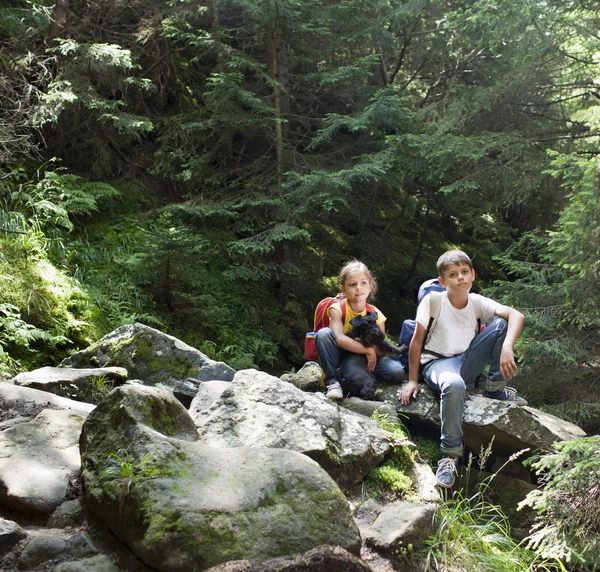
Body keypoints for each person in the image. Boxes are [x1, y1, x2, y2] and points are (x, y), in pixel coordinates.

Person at [399, 249, 527, 488]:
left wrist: (508, 346)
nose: (460, 278)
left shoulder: (477, 302)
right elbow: (416, 343)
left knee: (501, 323)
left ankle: (495, 388)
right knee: (455, 384)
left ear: (472, 274)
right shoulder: (433, 301)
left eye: (464, 272)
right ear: (442, 280)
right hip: (437, 363)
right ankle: (450, 456)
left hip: (466, 360)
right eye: (453, 274)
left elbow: (516, 315)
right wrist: (413, 380)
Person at [316, 260, 405, 400]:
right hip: (341, 355)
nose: (358, 288)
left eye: (363, 283)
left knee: (397, 371)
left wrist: (372, 349)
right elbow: (338, 338)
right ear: (343, 289)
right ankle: (333, 382)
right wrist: (367, 349)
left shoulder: (376, 313)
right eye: (352, 284)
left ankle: (363, 376)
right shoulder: (337, 309)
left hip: (363, 360)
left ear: (370, 286)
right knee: (323, 334)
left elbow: (381, 347)